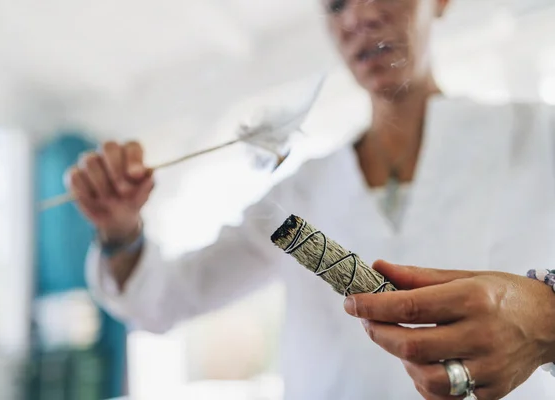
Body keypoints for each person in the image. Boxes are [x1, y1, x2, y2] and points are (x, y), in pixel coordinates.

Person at [67, 0, 555, 398]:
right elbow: (165, 299)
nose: (359, 15)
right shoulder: (297, 194)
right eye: (336, 3)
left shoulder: (540, 138)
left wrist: (546, 318)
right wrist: (119, 230)